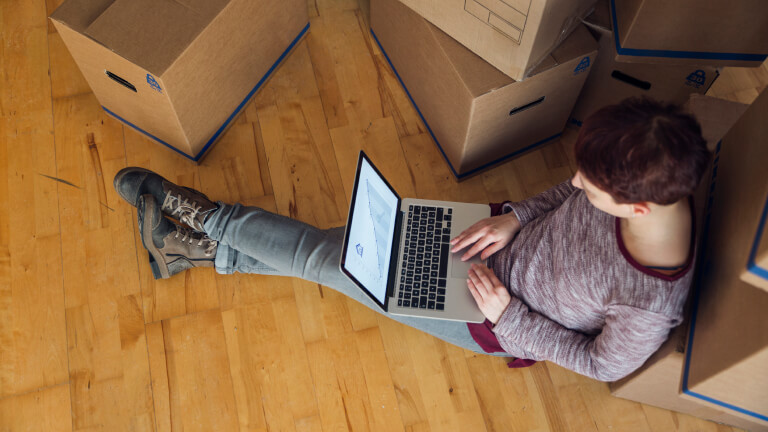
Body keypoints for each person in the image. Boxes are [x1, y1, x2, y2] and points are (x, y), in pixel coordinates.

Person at [114, 97, 710, 382]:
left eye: (593, 185)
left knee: (331, 258)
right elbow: (567, 193)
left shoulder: (646, 303)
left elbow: (602, 365)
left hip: (491, 314)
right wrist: (519, 217)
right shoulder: (643, 176)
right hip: (493, 243)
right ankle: (208, 250)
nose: (577, 183)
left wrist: (510, 318)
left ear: (637, 207)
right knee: (343, 249)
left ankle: (210, 221)